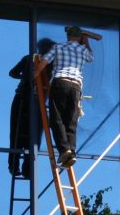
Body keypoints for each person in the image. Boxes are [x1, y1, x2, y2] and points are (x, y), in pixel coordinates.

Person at [33, 26, 101, 168]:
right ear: (79, 37)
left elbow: (44, 61)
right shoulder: (83, 50)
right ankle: (72, 152)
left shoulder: (59, 47)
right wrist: (86, 41)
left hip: (60, 82)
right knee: (71, 120)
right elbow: (91, 57)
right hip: (75, 87)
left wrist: (35, 76)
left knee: (56, 117)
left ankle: (64, 150)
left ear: (68, 36)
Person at [7, 38, 54, 178]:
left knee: (16, 133)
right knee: (33, 136)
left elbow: (13, 73)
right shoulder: (50, 62)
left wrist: (25, 77)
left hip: (23, 97)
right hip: (34, 100)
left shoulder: (29, 58)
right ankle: (27, 169)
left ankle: (15, 166)